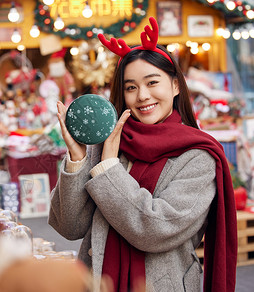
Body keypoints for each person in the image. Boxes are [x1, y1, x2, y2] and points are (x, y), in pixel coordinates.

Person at [49, 17, 237, 292]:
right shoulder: (108, 143)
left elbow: (155, 230)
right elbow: (69, 227)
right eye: (131, 87)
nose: (142, 96)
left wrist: (109, 168)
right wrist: (78, 159)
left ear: (175, 86)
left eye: (152, 83)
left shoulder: (198, 156)